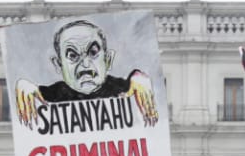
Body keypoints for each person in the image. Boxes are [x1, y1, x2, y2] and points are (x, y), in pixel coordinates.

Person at [14, 19, 159, 123]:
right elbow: (34, 94)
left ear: (108, 60)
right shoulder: (50, 97)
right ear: (58, 65)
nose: (85, 65)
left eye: (93, 52)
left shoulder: (126, 90)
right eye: (72, 55)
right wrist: (25, 87)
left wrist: (140, 78)